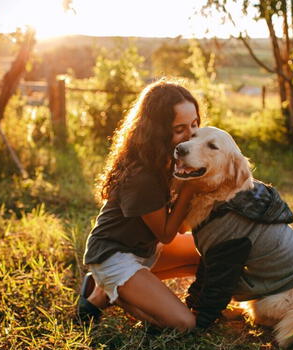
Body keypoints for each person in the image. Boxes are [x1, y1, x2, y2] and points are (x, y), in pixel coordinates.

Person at [77, 79, 201, 331]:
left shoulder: (171, 159)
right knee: (184, 324)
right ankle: (110, 291)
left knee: (210, 252)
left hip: (145, 250)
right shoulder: (142, 176)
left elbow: (181, 228)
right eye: (180, 129)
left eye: (195, 124)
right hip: (114, 255)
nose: (191, 136)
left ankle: (103, 291)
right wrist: (189, 186)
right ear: (158, 131)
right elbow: (167, 234)